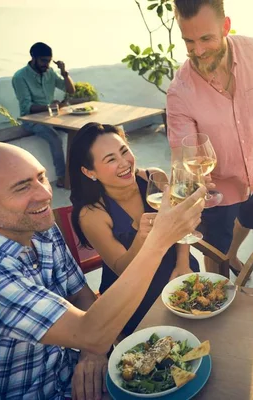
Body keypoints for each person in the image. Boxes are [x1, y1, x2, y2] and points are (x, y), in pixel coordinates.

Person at [0, 142, 205, 399]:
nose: (45, 194)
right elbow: (92, 333)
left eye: (41, 177)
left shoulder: (40, 228)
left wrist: (92, 352)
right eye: (22, 187)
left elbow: (81, 294)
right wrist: (160, 239)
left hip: (75, 377)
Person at [166, 0, 253, 276]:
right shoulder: (179, 92)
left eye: (206, 38)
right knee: (215, 252)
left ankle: (232, 253)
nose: (198, 51)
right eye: (189, 41)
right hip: (217, 191)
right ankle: (224, 261)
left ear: (226, 26)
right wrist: (194, 176)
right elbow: (185, 155)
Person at [68, 122, 199, 335]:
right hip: (134, 294)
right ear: (89, 171)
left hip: (176, 270)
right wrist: (142, 237)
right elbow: (121, 268)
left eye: (124, 151)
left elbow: (180, 226)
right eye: (111, 159)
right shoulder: (92, 214)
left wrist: (183, 265)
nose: (124, 163)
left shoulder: (154, 178)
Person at [12, 42, 75, 189]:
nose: (46, 64)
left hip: (52, 116)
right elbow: (26, 108)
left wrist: (64, 72)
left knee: (79, 129)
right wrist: (51, 107)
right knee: (55, 138)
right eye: (43, 60)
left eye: (48, 60)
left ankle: (79, 170)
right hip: (31, 120)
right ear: (33, 58)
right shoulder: (20, 77)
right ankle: (62, 177)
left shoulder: (50, 72)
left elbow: (70, 90)